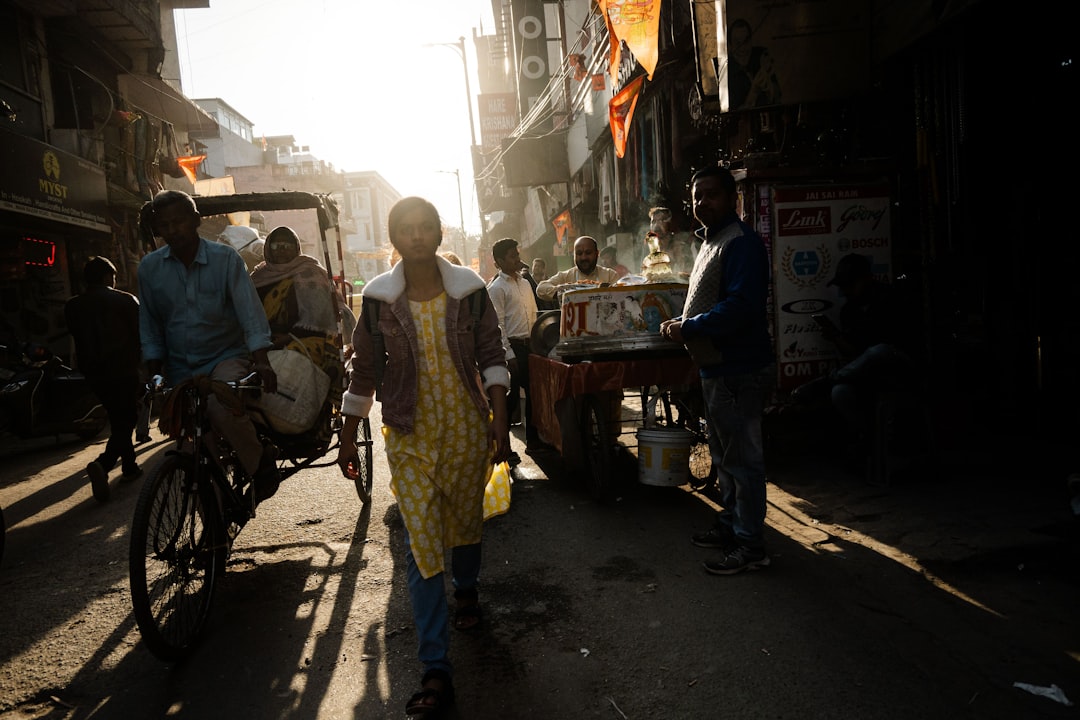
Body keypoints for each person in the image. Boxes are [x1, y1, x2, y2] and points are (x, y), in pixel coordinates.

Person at [335, 196, 511, 717]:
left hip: (465, 430)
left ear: (438, 234)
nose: (415, 236)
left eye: (425, 227)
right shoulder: (378, 299)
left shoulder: (470, 291)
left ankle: (468, 589)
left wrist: (500, 425)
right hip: (407, 434)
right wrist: (347, 437)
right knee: (420, 545)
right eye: (405, 229)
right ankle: (436, 668)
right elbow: (365, 372)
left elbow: (493, 358)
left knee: (464, 526)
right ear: (394, 237)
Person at [659, 166, 774, 575]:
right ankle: (731, 527)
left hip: (738, 367)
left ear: (732, 199)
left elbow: (742, 307)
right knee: (725, 457)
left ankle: (750, 546)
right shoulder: (710, 242)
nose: (701, 202)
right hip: (716, 368)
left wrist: (689, 327)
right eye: (696, 196)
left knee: (742, 460)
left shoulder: (741, 243)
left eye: (711, 194)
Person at [138, 190, 282, 503]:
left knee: (220, 407)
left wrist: (261, 360)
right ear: (159, 229)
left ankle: (260, 464)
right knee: (192, 450)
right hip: (179, 366)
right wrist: (153, 371)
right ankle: (216, 532)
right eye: (165, 225)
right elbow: (149, 325)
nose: (173, 230)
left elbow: (249, 313)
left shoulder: (225, 259)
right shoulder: (149, 269)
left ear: (195, 221)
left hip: (225, 357)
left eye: (179, 222)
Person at [795, 253, 921, 461]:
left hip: (899, 368)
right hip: (869, 375)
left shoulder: (891, 299)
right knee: (840, 392)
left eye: (849, 285)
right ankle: (871, 439)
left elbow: (893, 346)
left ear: (865, 279)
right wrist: (836, 337)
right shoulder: (849, 311)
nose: (845, 292)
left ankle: (827, 381)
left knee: (879, 351)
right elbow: (855, 355)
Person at [65, 256, 143, 502]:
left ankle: (129, 466)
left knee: (118, 416)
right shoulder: (126, 300)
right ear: (107, 277)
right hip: (124, 370)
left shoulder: (73, 306)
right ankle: (104, 463)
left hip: (94, 374)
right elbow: (140, 335)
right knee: (127, 418)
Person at [250, 226, 343, 388]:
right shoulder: (259, 276)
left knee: (293, 360)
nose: (281, 251)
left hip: (305, 336)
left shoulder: (310, 271)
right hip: (264, 338)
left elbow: (319, 318)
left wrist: (286, 339)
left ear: (296, 248)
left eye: (287, 246)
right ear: (268, 248)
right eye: (275, 246)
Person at [488, 238, 540, 447]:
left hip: (531, 345)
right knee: (509, 401)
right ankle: (505, 446)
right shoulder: (497, 288)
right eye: (512, 256)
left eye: (517, 254)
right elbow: (498, 324)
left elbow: (534, 314)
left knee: (533, 393)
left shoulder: (526, 283)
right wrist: (508, 354)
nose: (517, 259)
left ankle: (535, 440)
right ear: (500, 261)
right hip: (513, 347)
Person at [535, 235, 619, 303]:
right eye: (579, 253)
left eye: (588, 253)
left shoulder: (610, 275)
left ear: (597, 254)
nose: (583, 257)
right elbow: (541, 288)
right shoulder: (565, 276)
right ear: (574, 255)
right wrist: (565, 290)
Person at [728, 18, 782, 110]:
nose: (743, 48)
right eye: (738, 43)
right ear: (730, 46)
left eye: (746, 41)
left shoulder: (760, 56)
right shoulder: (726, 71)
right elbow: (735, 115)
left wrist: (770, 86)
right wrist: (754, 90)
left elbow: (778, 98)